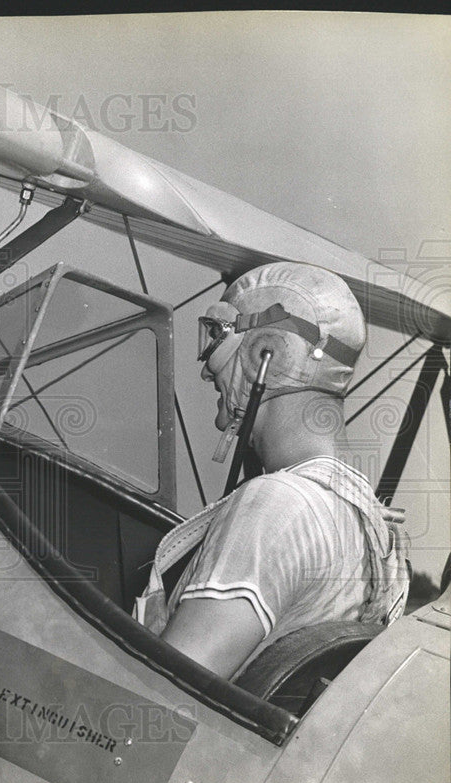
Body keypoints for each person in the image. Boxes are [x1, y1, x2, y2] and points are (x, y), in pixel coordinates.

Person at [133, 262, 409, 679]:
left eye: (218, 338)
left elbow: (165, 694)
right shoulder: (371, 528)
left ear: (268, 353)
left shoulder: (279, 508)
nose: (207, 367)